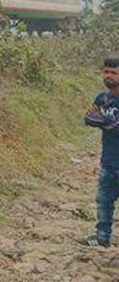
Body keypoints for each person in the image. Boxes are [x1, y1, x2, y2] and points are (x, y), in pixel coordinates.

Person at [84, 58, 119, 248]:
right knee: (104, 201)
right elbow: (88, 117)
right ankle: (102, 237)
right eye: (106, 72)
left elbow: (115, 125)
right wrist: (106, 121)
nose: (109, 76)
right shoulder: (103, 98)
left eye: (113, 73)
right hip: (108, 161)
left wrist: (102, 120)